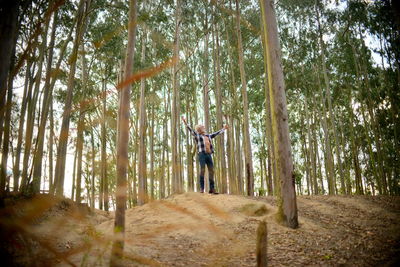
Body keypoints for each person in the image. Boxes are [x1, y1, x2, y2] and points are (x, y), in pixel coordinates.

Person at [181, 116, 228, 194]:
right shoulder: (197, 136)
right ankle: (202, 188)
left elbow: (216, 133)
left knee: (211, 171)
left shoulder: (208, 136)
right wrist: (185, 122)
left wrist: (224, 129)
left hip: (209, 154)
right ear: (199, 129)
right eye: (202, 127)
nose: (204, 128)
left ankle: (212, 189)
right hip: (201, 154)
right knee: (202, 169)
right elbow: (190, 130)